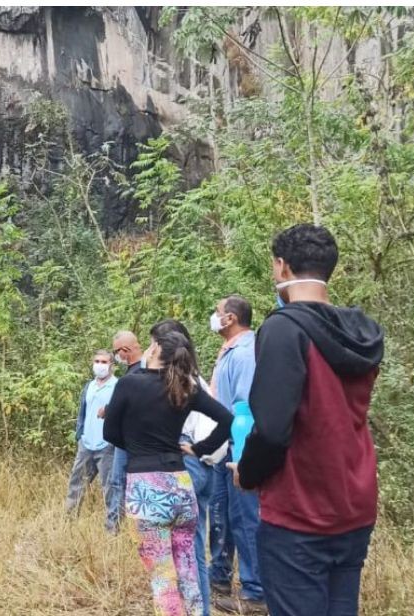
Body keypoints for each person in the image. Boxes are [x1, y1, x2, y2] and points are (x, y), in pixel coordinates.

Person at [235, 224, 383, 616]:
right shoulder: (362, 331)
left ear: (282, 267)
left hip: (300, 511)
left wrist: (247, 475)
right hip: (355, 503)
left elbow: (271, 429)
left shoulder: (284, 329)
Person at [104, 327, 233, 616]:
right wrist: (200, 449)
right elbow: (226, 418)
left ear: (155, 350)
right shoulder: (185, 387)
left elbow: (109, 431)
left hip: (146, 489)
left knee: (162, 577)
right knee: (186, 568)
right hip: (180, 485)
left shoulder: (128, 385)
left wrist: (138, 446)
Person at [150, 318, 228, 616]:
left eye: (154, 343)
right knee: (191, 549)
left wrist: (196, 449)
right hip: (202, 467)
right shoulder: (192, 379)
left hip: (188, 466)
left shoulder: (179, 385)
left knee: (184, 552)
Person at [206, 295, 265, 614]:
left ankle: (255, 593)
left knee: (244, 520)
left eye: (216, 313)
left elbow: (244, 409)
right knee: (221, 517)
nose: (213, 318)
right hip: (221, 447)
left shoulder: (245, 354)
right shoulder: (229, 351)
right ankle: (220, 580)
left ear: (229, 319)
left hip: (237, 449)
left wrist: (242, 458)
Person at [64, 349, 117, 529]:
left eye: (104, 362)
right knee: (76, 483)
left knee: (110, 488)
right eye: (97, 361)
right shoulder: (89, 386)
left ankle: (112, 529)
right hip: (86, 444)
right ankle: (69, 523)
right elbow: (83, 412)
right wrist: (80, 435)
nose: (100, 365)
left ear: (112, 365)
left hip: (107, 446)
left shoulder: (118, 387)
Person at [105, 329, 145, 533]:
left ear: (126, 350)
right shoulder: (141, 371)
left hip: (130, 440)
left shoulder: (138, 374)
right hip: (131, 438)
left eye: (116, 352)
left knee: (118, 482)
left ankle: (113, 529)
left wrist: (110, 410)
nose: (115, 357)